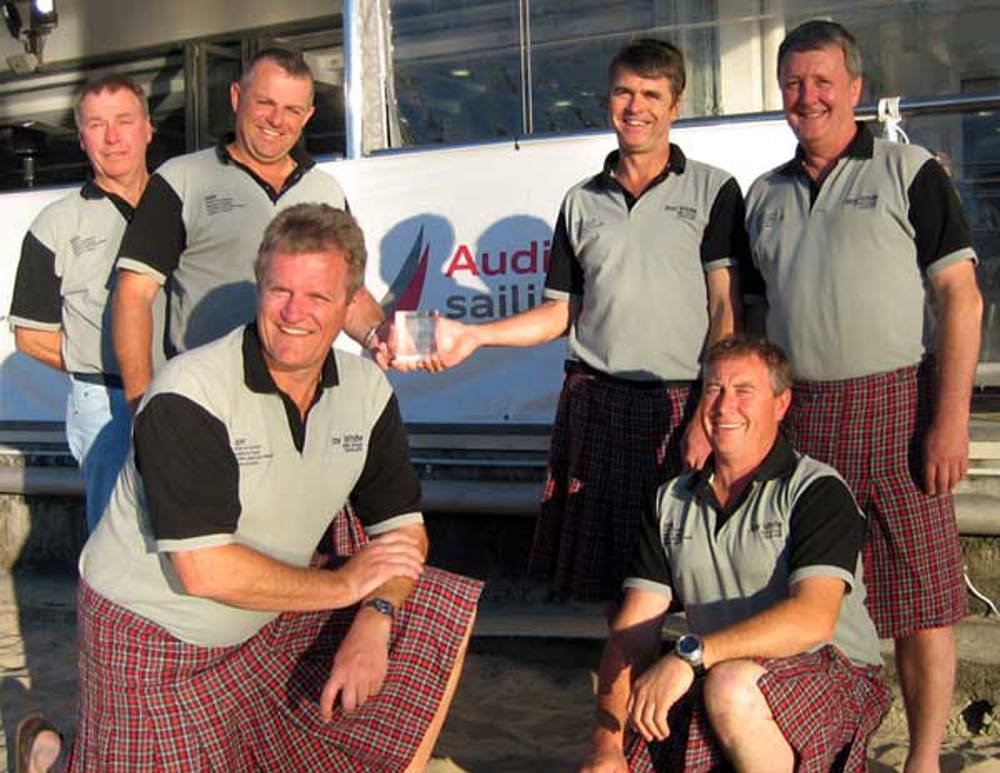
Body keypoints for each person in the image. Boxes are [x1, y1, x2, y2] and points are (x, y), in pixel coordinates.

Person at [69, 204, 481, 772]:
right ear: (259, 288)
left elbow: (403, 530)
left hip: (270, 618)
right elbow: (205, 572)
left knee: (432, 604)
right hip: (159, 635)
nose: (294, 313)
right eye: (280, 291)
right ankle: (50, 753)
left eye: (318, 297)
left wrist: (376, 613)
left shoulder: (366, 389)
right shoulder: (188, 393)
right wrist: (346, 586)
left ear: (350, 305)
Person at [406, 38, 749, 604]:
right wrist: (475, 335)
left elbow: (725, 308)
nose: (636, 107)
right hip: (596, 403)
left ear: (676, 105)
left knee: (691, 573)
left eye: (651, 95)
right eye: (624, 92)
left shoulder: (715, 190)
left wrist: (708, 411)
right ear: (608, 99)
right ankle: (618, 663)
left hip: (681, 404)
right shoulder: (580, 201)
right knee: (609, 581)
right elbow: (560, 313)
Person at [743, 20, 982, 772]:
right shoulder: (762, 195)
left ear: (855, 88)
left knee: (923, 599)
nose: (807, 96)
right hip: (803, 416)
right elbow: (751, 320)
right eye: (792, 83)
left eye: (823, 81)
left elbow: (962, 296)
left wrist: (949, 421)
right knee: (809, 594)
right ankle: (825, 748)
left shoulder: (909, 171)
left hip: (900, 408)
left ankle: (922, 759)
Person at [581, 335, 891, 773]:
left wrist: (689, 656)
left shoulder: (816, 489)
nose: (725, 406)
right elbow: (632, 635)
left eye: (744, 391)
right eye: (714, 389)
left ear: (781, 404)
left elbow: (813, 619)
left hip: (833, 674)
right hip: (716, 668)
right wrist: (606, 746)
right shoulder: (670, 500)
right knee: (625, 755)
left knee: (731, 687)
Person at [112, 47, 388, 412]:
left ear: (308, 116)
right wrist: (141, 401)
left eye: (292, 110)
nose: (277, 119)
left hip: (302, 401)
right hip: (206, 396)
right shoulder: (180, 180)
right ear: (236, 97)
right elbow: (133, 295)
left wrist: (379, 335)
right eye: (265, 103)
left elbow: (347, 295)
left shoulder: (326, 190)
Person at [9, 74, 153, 532]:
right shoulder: (55, 225)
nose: (112, 137)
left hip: (187, 392)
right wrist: (112, 360)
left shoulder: (183, 206)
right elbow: (31, 336)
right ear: (81, 138)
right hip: (105, 405)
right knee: (116, 538)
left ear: (148, 128)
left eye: (124, 121)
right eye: (96, 125)